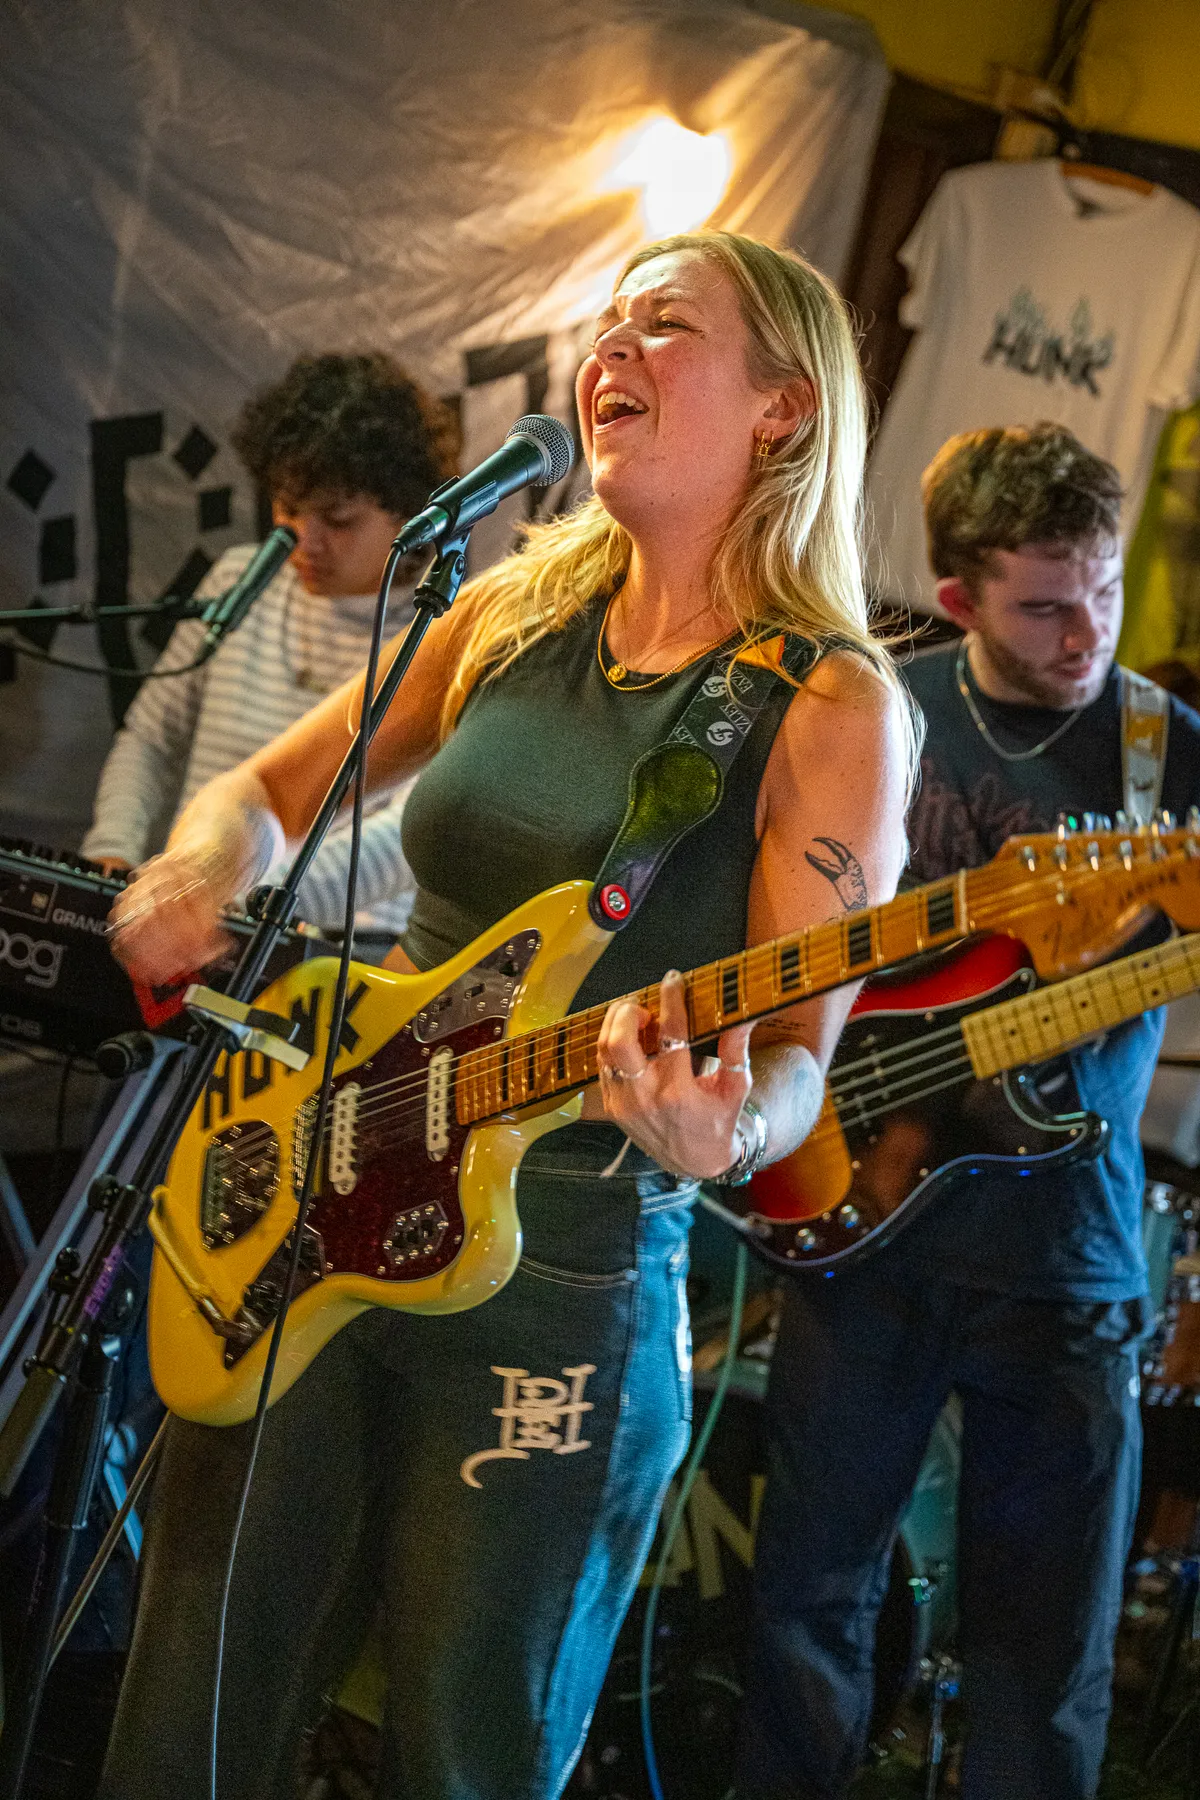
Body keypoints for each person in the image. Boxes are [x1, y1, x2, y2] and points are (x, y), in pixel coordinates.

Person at [97, 230, 914, 1800]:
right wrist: (201, 867)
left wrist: (728, 1129)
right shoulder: (510, 611)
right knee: (189, 1702)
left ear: (784, 408)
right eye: (606, 325)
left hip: (562, 1279)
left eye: (664, 326)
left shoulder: (830, 702)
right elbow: (267, 791)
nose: (613, 350)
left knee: (464, 1753)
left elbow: (800, 1063)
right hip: (323, 1199)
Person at [739, 422, 1200, 1800]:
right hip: (863, 1228)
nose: (1088, 633)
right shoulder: (883, 712)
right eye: (1047, 606)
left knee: (1046, 1656)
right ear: (959, 598)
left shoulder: (1166, 752)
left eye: (1102, 590)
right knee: (805, 1604)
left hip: (1066, 1256)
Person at [81, 351, 458, 935]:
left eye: (337, 519)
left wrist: (249, 900)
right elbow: (151, 738)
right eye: (288, 508)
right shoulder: (240, 580)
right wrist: (111, 850)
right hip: (193, 918)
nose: (304, 540)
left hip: (336, 951)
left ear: (410, 514)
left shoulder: (446, 630)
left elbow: (403, 835)